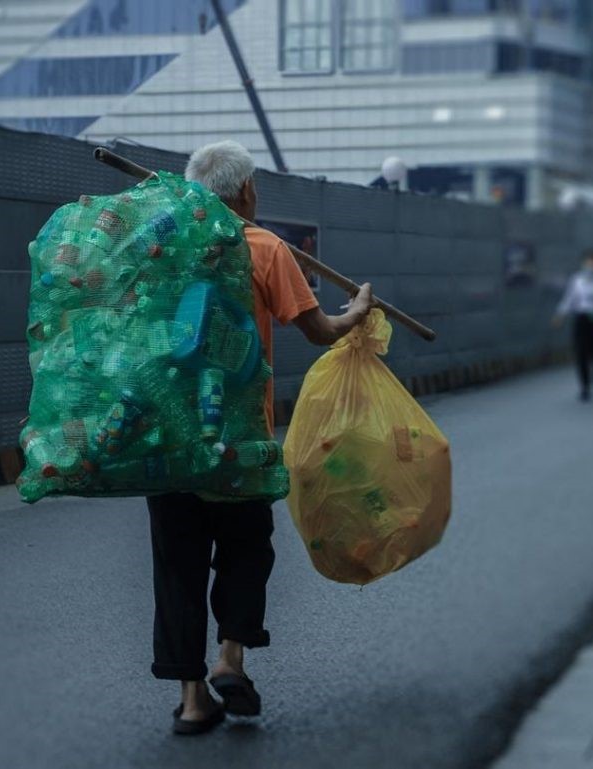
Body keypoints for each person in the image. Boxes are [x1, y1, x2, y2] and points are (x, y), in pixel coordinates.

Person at [149, 140, 373, 735]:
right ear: (246, 191)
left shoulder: (162, 249)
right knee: (247, 547)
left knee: (177, 565)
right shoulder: (264, 247)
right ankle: (230, 658)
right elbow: (319, 330)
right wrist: (357, 312)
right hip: (240, 437)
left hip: (167, 436)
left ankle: (192, 701)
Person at [554, 249, 593, 401]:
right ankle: (585, 386)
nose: (592, 265)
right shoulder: (577, 280)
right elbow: (569, 299)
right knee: (582, 352)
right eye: (589, 262)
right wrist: (560, 314)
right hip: (582, 318)